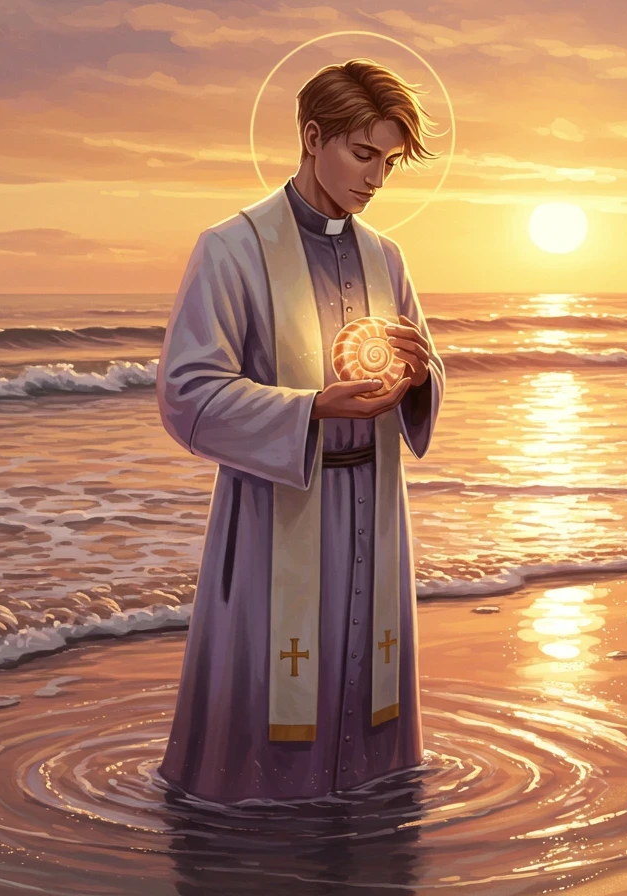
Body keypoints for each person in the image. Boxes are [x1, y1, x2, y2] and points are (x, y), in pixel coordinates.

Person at [156, 57, 446, 803]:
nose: (376, 179)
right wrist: (311, 409)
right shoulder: (232, 249)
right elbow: (188, 392)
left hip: (373, 509)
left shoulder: (388, 257)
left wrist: (418, 375)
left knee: (368, 693)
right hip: (278, 510)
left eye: (388, 162)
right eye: (362, 153)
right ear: (312, 137)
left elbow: (422, 372)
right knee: (268, 714)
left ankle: (372, 795)